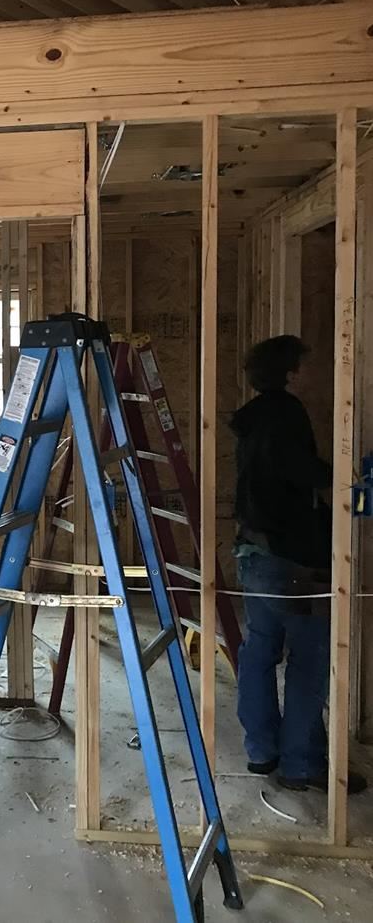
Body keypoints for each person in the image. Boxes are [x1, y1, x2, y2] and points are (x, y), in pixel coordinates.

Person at [231, 335, 365, 794]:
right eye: (305, 366)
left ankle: (262, 752)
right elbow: (297, 470)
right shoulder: (286, 413)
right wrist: (348, 477)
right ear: (289, 372)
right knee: (309, 660)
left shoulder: (253, 419)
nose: (311, 374)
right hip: (291, 560)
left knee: (261, 653)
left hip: (255, 554)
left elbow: (278, 474)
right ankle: (302, 765)